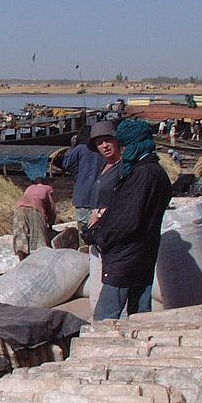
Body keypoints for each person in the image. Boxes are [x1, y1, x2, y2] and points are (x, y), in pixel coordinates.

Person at [84, 120, 171, 320]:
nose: (122, 150)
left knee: (105, 316)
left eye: (124, 146)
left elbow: (127, 219)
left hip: (126, 256)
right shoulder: (155, 171)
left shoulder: (142, 173)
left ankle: (100, 348)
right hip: (144, 252)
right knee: (140, 312)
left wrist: (99, 236)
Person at [60, 125, 106, 232]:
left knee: (84, 229)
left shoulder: (80, 148)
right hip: (101, 196)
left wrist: (72, 147)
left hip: (83, 196)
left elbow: (66, 164)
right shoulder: (102, 150)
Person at [13, 177, 55, 259]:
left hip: (19, 208)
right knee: (38, 236)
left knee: (20, 234)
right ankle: (39, 259)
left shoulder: (29, 188)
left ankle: (21, 258)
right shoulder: (48, 188)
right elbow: (51, 208)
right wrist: (51, 223)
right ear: (45, 183)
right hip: (35, 208)